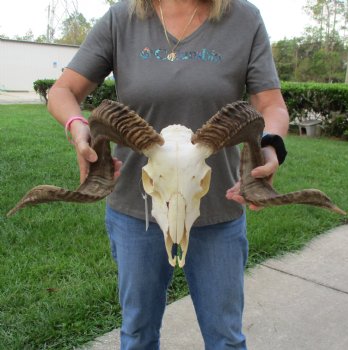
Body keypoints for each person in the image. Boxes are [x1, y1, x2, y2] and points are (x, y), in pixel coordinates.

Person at [48, 0, 289, 348]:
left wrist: (270, 145)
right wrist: (77, 126)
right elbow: (63, 91)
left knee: (226, 338)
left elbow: (271, 105)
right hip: (138, 210)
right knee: (138, 333)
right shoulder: (122, 18)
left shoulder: (244, 18)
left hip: (217, 210)